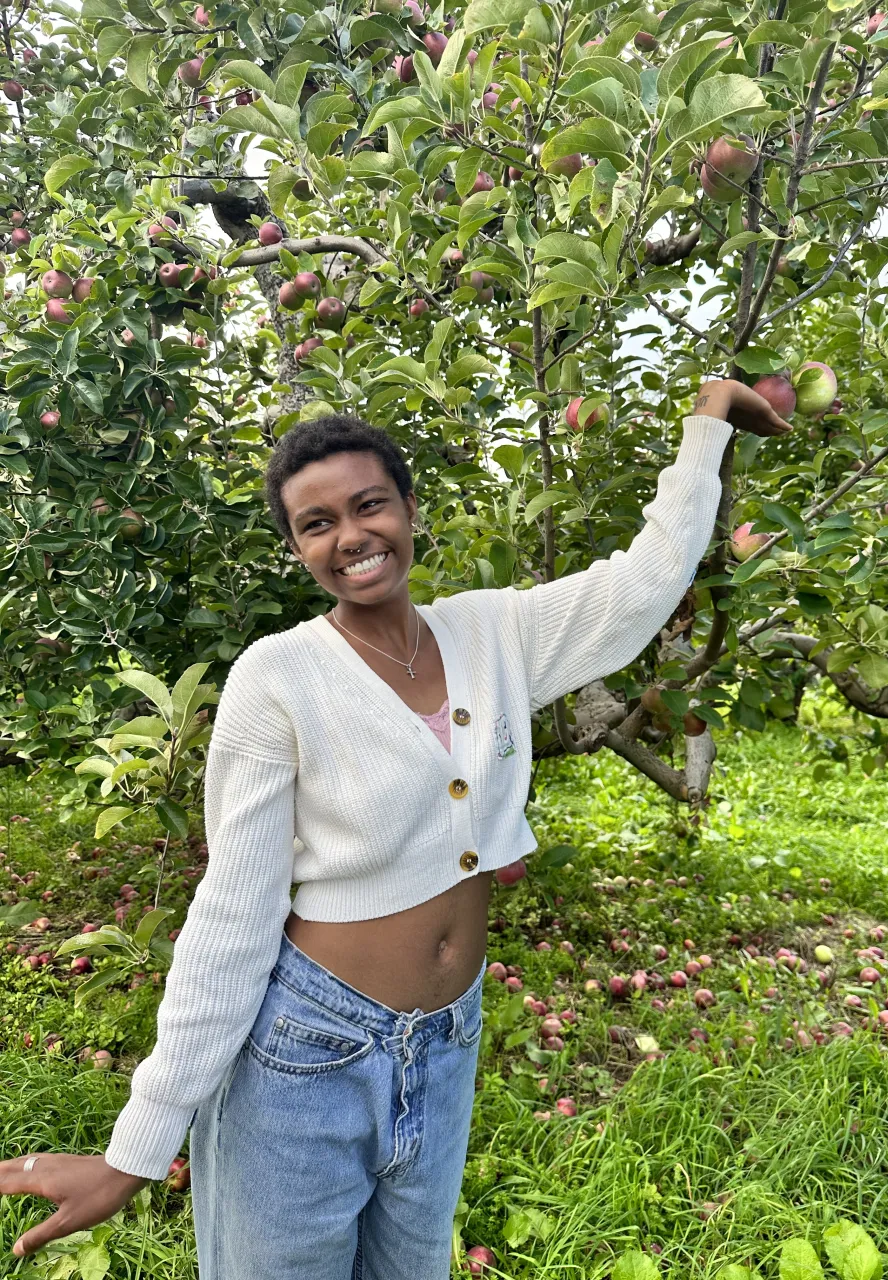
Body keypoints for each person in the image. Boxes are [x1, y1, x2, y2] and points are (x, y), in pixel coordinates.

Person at [0, 378, 790, 1276]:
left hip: (446, 1044)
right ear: (297, 548)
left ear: (410, 510)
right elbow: (234, 909)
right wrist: (137, 1146)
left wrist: (707, 422)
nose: (350, 535)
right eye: (317, 523)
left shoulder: (494, 633)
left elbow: (644, 584)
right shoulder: (277, 677)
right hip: (303, 1053)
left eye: (369, 504)